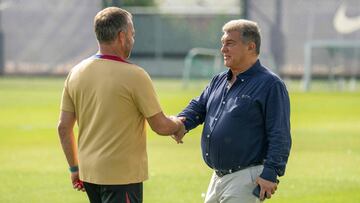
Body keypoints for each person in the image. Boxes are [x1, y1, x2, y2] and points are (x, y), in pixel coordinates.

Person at [57, 7, 185, 203]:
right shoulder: (135, 75)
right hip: (121, 177)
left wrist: (74, 168)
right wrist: (179, 123)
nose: (133, 39)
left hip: (89, 174)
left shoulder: (76, 72)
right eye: (132, 34)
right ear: (122, 36)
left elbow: (64, 127)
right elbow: (161, 126)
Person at [178, 19, 291, 203]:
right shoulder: (219, 80)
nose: (223, 50)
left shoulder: (271, 84)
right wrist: (180, 123)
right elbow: (198, 107)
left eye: (230, 44)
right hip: (217, 178)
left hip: (247, 178)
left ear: (250, 46)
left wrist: (271, 172)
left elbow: (279, 133)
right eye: (223, 44)